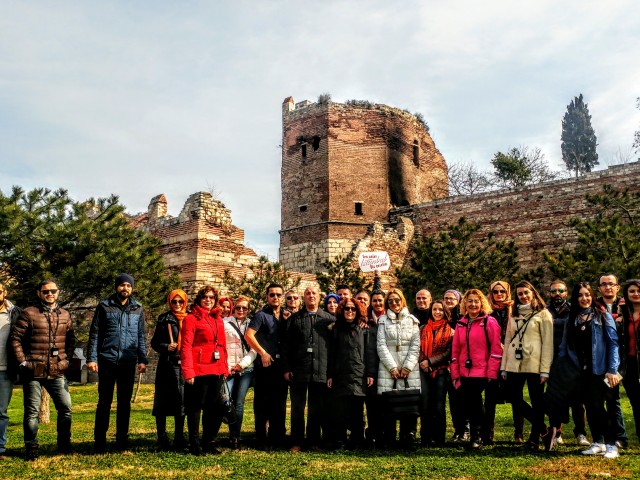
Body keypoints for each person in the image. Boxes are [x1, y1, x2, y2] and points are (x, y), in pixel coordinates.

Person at [544, 282, 621, 458]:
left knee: (601, 407)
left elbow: (613, 343)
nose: (584, 298)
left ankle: (611, 445)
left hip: (600, 369)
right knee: (591, 406)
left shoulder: (602, 316)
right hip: (579, 371)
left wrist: (612, 369)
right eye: (580, 295)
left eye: (587, 294)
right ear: (575, 298)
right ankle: (597, 442)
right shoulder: (573, 319)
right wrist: (561, 367)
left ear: (592, 296)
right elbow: (564, 346)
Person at [11, 279, 75, 460]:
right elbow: (15, 339)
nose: (50, 294)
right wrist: (23, 362)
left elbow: (71, 340)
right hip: (33, 371)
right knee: (31, 412)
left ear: (58, 292)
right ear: (39, 293)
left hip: (57, 371)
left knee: (66, 408)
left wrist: (66, 360)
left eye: (53, 291)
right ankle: (31, 448)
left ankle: (64, 445)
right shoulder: (29, 313)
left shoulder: (65, 314)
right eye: (45, 291)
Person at [87, 273, 148, 452]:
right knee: (104, 402)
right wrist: (92, 357)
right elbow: (95, 333)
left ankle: (122, 441)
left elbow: (141, 336)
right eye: (122, 285)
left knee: (124, 403)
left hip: (128, 362)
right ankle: (100, 442)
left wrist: (142, 359)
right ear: (116, 287)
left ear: (132, 288)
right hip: (108, 360)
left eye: (128, 286)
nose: (125, 288)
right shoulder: (104, 307)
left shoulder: (138, 308)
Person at [501, 281, 553, 451]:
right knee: (513, 397)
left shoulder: (543, 314)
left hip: (534, 364)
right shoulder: (513, 314)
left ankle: (534, 440)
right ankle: (544, 429)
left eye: (526, 293)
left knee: (537, 401)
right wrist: (504, 366)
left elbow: (547, 343)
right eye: (520, 294)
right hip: (514, 363)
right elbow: (508, 340)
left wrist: (545, 369)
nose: (523, 296)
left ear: (533, 293)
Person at [282, 286, 335, 452]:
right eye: (308, 293)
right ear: (303, 298)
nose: (311, 296)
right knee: (297, 407)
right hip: (299, 370)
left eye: (314, 293)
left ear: (319, 297)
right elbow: (286, 346)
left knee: (316, 408)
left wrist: (331, 373)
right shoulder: (294, 319)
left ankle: (313, 441)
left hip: (321, 370)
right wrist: (286, 368)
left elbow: (334, 349)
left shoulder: (329, 319)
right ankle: (296, 441)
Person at [450, 289, 501, 450]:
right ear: (465, 303)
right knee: (471, 404)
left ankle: (477, 436)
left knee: (476, 404)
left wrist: (492, 371)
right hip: (466, 371)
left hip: (483, 370)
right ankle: (479, 435)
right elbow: (456, 350)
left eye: (476, 301)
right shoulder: (461, 323)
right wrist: (455, 372)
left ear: (482, 303)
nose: (473, 304)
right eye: (470, 301)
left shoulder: (489, 322)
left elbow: (496, 348)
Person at [180, 285, 228, 455]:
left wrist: (224, 367)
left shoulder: (218, 320)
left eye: (211, 297)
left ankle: (209, 442)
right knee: (194, 408)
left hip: (215, 369)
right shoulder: (191, 319)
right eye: (205, 297)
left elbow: (222, 346)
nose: (208, 300)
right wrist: (188, 371)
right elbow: (185, 346)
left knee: (213, 408)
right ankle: (194, 443)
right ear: (199, 299)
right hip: (198, 369)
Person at [327, 298, 375, 450]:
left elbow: (369, 353)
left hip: (358, 375)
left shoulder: (364, 329)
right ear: (342, 310)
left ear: (358, 311)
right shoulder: (335, 329)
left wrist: (370, 373)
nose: (350, 311)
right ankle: (340, 441)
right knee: (339, 411)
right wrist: (330, 375)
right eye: (347, 309)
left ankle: (357, 441)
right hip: (340, 375)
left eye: (353, 309)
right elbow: (331, 354)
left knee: (357, 411)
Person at [245, 283, 288, 450]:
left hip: (280, 365)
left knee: (279, 402)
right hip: (265, 365)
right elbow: (249, 335)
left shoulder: (285, 315)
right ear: (267, 297)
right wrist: (262, 352)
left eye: (278, 294)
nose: (275, 297)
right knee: (263, 403)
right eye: (272, 294)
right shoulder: (260, 315)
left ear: (282, 296)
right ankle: (262, 439)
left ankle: (277, 437)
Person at [377, 288, 420, 449]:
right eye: (391, 301)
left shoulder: (412, 320)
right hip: (389, 369)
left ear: (402, 301)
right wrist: (392, 367)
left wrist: (407, 367)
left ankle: (407, 437)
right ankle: (389, 438)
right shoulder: (383, 321)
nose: (394, 303)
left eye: (397, 300)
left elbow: (416, 346)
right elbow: (381, 345)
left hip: (409, 369)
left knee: (408, 403)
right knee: (389, 404)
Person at [547, 280, 589, 447]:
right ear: (549, 293)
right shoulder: (545, 310)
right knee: (555, 398)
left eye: (561, 290)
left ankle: (580, 433)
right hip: (552, 359)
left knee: (577, 400)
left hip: (572, 359)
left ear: (566, 293)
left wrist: (551, 323)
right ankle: (556, 432)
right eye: (554, 291)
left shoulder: (573, 310)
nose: (557, 293)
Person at [484, 281, 521, 445]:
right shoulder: (486, 311)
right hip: (492, 358)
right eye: (495, 292)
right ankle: (488, 434)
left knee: (516, 396)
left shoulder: (515, 309)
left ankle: (519, 433)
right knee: (490, 397)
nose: (499, 295)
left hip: (511, 357)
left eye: (502, 291)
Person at [150, 289, 188, 451]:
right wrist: (166, 346)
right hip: (167, 364)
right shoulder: (164, 319)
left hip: (183, 365)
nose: (177, 305)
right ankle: (162, 437)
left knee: (181, 400)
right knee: (162, 401)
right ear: (169, 302)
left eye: (180, 301)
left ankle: (179, 437)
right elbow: (154, 343)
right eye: (174, 301)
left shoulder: (190, 318)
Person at [594, 273, 628, 449]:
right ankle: (611, 436)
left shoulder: (626, 305)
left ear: (617, 287)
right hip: (602, 359)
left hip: (624, 359)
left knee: (614, 399)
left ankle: (620, 437)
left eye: (611, 284)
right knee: (607, 397)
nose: (607, 287)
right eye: (604, 284)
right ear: (599, 288)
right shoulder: (595, 306)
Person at [222, 296, 256, 449]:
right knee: (225, 400)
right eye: (238, 308)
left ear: (248, 310)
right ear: (233, 308)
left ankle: (235, 437)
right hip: (228, 368)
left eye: (244, 308)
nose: (241, 310)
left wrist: (241, 365)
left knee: (239, 403)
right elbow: (221, 346)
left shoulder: (252, 324)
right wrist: (228, 366)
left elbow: (254, 348)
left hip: (245, 368)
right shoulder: (225, 323)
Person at [418, 299, 453, 446]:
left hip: (441, 371)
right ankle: (425, 437)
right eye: (434, 309)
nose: (437, 312)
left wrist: (431, 362)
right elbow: (417, 347)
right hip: (424, 371)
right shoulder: (423, 329)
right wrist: (422, 361)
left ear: (445, 312)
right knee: (425, 404)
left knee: (438, 406)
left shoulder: (450, 331)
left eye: (440, 310)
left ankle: (439, 438)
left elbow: (448, 353)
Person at [443, 289, 468, 442]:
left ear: (458, 300)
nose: (449, 301)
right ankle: (457, 429)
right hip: (445, 365)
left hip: (459, 364)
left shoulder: (462, 318)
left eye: (452, 298)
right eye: (446, 298)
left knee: (462, 398)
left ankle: (465, 428)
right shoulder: (442, 316)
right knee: (452, 400)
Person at [619, 279, 640, 443]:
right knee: (635, 402)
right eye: (632, 291)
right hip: (630, 364)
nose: (636, 294)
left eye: (638, 291)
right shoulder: (624, 314)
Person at [0, 282, 19, 460]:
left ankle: (0, 449)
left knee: (1, 412)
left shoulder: (14, 313)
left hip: (5, 370)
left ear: (5, 292)